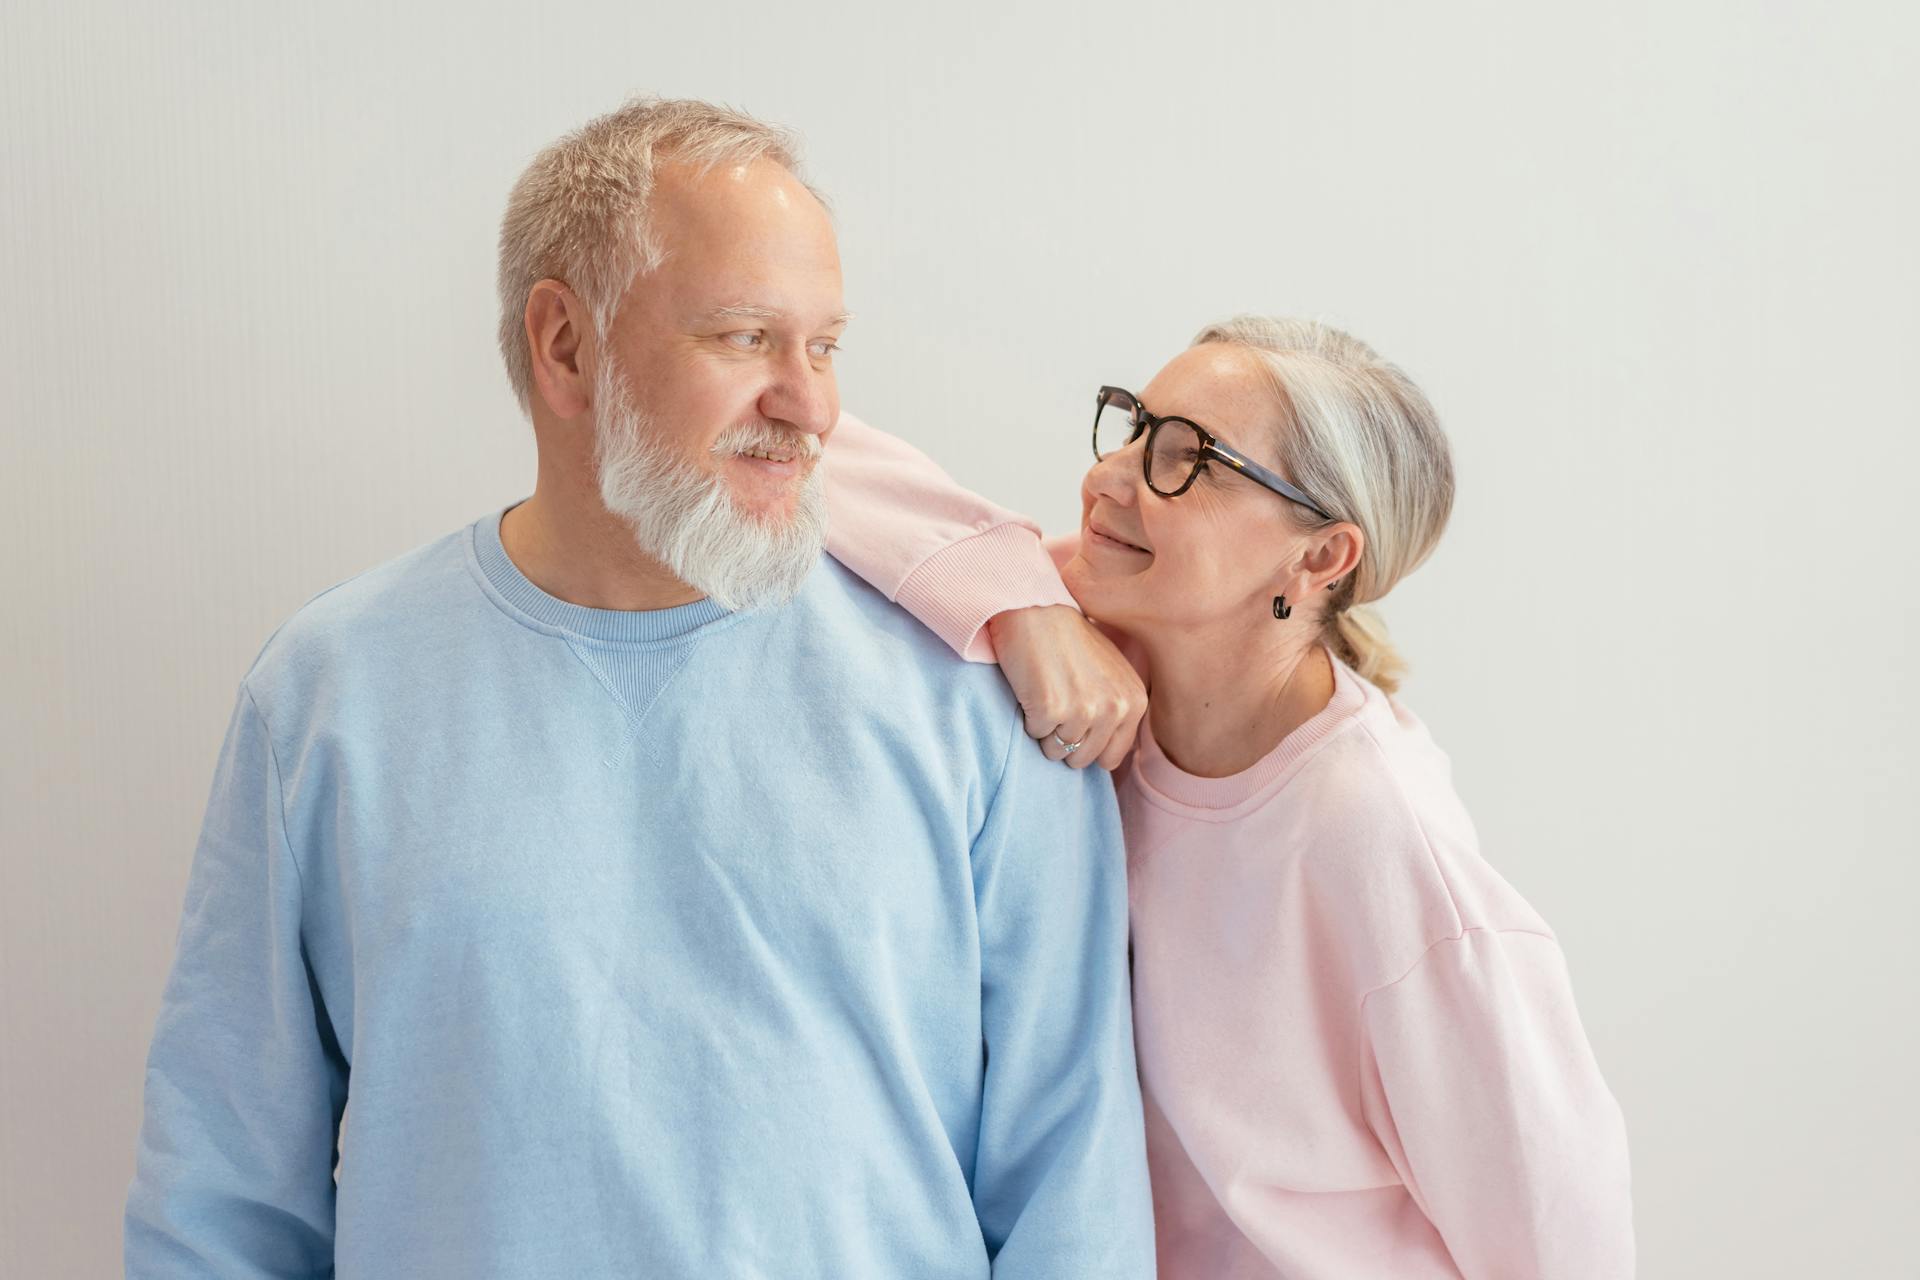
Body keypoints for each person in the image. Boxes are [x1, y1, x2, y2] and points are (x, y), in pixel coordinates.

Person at [124, 98, 1155, 1278]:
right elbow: (221, 1201)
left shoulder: (978, 690)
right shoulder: (326, 697)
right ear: (565, 346)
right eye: (742, 337)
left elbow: (1075, 1194)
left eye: (823, 345)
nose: (811, 403)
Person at [825, 316, 1637, 1277]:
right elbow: (806, 449)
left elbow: (1562, 1246)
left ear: (1321, 558)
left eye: (1189, 460)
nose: (1111, 477)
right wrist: (1021, 605)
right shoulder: (1094, 647)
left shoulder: (1379, 845)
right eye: (1133, 428)